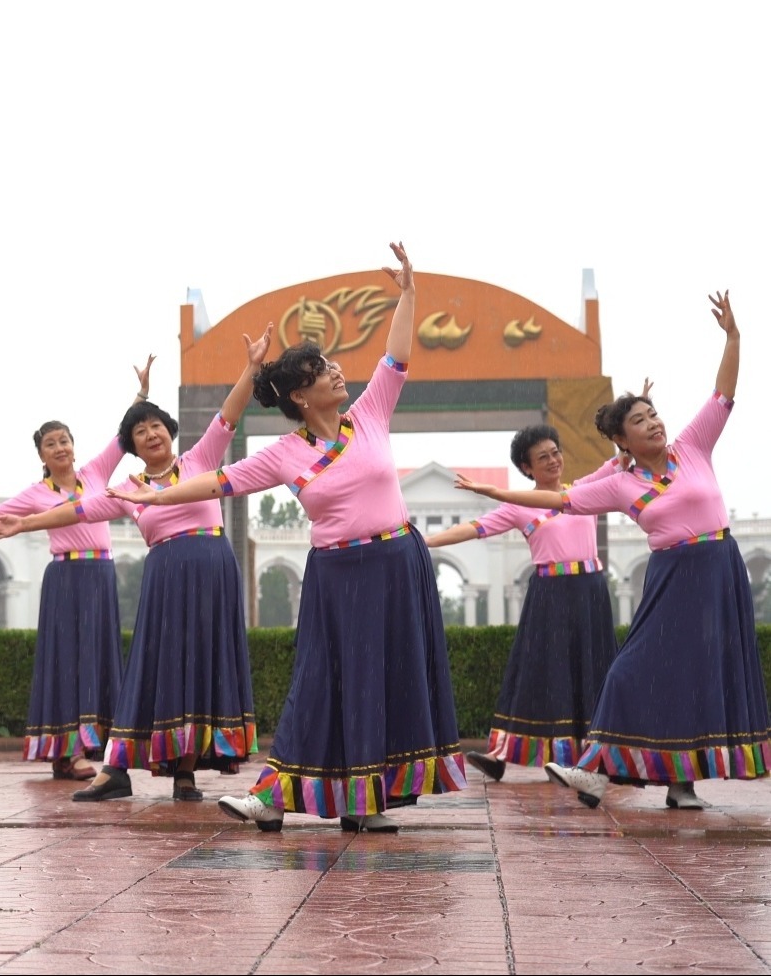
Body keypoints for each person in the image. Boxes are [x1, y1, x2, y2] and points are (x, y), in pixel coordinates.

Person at [112, 243, 465, 835]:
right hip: (337, 575)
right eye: (323, 369)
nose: (337, 371)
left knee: (392, 676)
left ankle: (366, 799)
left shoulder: (371, 414)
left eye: (333, 365)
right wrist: (155, 496)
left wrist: (408, 295)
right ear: (301, 395)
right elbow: (219, 481)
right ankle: (274, 795)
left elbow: (396, 355)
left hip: (399, 562)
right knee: (325, 680)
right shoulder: (284, 454)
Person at [457, 291, 766, 811]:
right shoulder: (620, 484)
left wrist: (734, 337)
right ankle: (598, 771)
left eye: (654, 414)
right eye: (641, 421)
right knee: (633, 670)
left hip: (718, 570)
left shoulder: (692, 447)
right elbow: (559, 498)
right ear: (623, 440)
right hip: (671, 577)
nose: (655, 423)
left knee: (700, 673)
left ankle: (677, 783)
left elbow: (722, 394)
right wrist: (497, 493)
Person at [0, 334, 271, 804]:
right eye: (142, 432)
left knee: (202, 669)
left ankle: (185, 773)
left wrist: (252, 367)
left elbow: (229, 415)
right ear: (133, 446)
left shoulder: (199, 459)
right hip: (165, 581)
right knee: (151, 671)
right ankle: (116, 769)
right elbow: (77, 512)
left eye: (157, 426)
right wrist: (26, 523)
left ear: (170, 432)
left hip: (213, 574)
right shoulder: (128, 488)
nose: (152, 434)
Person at [0, 357, 153, 781]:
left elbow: (122, 433)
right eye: (51, 443)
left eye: (65, 441)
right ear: (41, 454)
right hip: (65, 579)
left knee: (98, 660)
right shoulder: (35, 494)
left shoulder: (95, 472)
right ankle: (67, 752)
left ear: (74, 446)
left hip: (101, 576)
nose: (60, 448)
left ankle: (91, 747)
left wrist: (142, 394)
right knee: (67, 663)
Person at [426, 424, 618, 780]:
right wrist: (426, 542)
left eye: (555, 452)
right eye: (542, 457)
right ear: (527, 467)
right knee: (539, 674)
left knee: (593, 669)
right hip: (550, 595)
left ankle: (594, 756)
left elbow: (621, 461)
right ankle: (503, 754)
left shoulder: (583, 490)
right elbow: (474, 528)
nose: (553, 460)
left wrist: (629, 415)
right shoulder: (518, 507)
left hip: (591, 591)